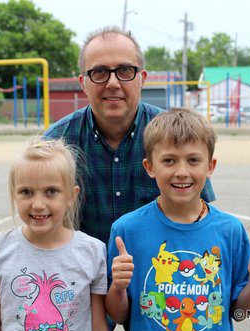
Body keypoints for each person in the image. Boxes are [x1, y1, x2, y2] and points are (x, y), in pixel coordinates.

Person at [105, 108, 250, 331]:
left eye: (193, 160)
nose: (182, 172)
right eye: (169, 161)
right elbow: (118, 315)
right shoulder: (126, 230)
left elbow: (239, 313)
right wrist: (118, 287)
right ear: (150, 167)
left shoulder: (230, 230)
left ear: (210, 167)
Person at [44, 26, 215, 245]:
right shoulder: (56, 142)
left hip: (160, 272)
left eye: (125, 71)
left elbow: (203, 217)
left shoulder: (177, 135)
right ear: (83, 83)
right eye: (99, 72)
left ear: (142, 78)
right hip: (82, 276)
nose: (113, 83)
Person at [0, 137, 108, 331]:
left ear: (71, 195)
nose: (38, 204)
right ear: (13, 194)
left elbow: (98, 328)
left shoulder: (92, 252)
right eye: (26, 192)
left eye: (51, 191)